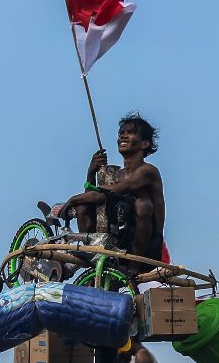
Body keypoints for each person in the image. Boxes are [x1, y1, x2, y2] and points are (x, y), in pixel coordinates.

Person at [60, 112, 166, 265]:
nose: (123, 136)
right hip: (120, 241)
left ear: (145, 144)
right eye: (121, 133)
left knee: (143, 205)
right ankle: (93, 251)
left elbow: (114, 190)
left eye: (130, 133)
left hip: (147, 248)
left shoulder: (148, 171)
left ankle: (134, 266)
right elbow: (97, 196)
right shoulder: (117, 175)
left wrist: (72, 199)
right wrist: (91, 172)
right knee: (85, 206)